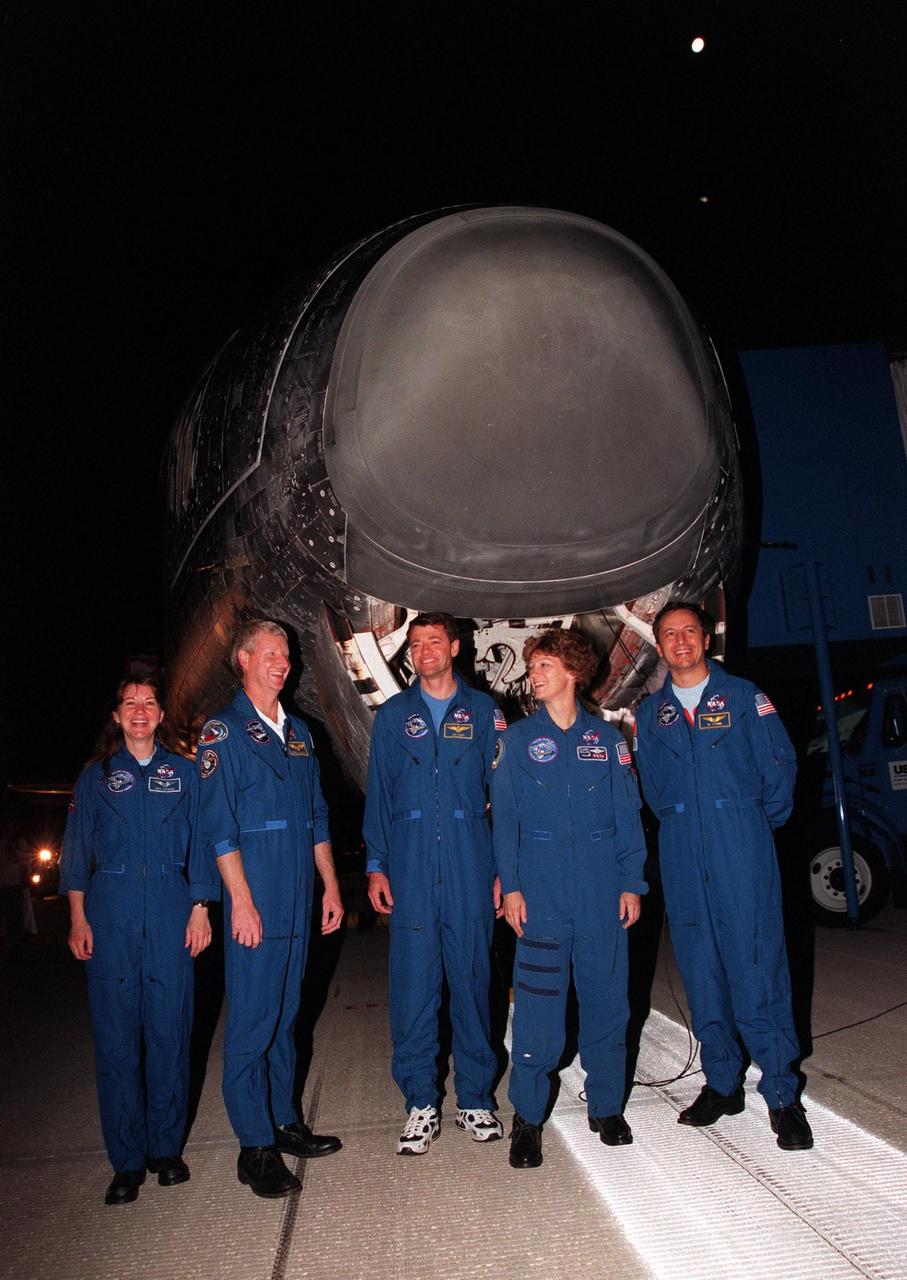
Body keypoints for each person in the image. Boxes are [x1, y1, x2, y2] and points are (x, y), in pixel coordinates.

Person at [634, 602, 813, 1151]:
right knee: (702, 970)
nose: (680, 641)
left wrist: (752, 822)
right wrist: (685, 820)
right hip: (682, 848)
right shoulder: (651, 713)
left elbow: (779, 766)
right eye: (669, 634)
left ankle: (782, 1094)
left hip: (742, 845)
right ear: (659, 646)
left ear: (705, 638)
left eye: (689, 631)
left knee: (757, 966)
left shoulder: (742, 697)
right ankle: (722, 1083)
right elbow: (654, 787)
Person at [195, 619, 344, 1198]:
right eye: (270, 654)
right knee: (254, 1024)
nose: (282, 662)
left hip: (298, 892)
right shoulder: (223, 732)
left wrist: (330, 887)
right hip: (255, 892)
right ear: (243, 660)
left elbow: (319, 817)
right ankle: (254, 1147)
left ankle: (284, 1122)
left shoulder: (300, 733)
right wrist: (240, 903)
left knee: (286, 1018)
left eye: (287, 654)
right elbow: (219, 827)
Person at [493, 629, 647, 1168]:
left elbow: (628, 815)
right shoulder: (515, 741)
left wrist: (633, 882)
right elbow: (506, 821)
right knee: (538, 1011)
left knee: (608, 1004)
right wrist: (510, 886)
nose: (533, 674)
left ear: (573, 672)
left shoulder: (607, 742)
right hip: (542, 895)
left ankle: (606, 1107)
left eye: (544, 666)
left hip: (603, 892)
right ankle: (528, 1117)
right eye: (533, 666)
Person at [60, 677, 214, 1205]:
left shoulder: (186, 773)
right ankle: (126, 1163)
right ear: (117, 716)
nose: (140, 711)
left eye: (149, 703)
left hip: (173, 912)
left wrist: (200, 908)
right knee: (117, 1043)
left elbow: (204, 844)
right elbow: (75, 857)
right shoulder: (95, 781)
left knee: (171, 1034)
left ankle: (166, 1150)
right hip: (112, 915)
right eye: (130, 703)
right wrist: (79, 919)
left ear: (161, 713)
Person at [364, 612, 506, 1154]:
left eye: (433, 642)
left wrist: (502, 873)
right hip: (412, 863)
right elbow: (379, 795)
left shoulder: (485, 712)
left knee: (472, 982)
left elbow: (504, 799)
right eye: (416, 643)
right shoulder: (393, 717)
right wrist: (376, 864)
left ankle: (474, 1100)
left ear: (454, 647)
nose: (424, 650)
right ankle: (421, 1104)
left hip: (471, 862)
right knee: (414, 987)